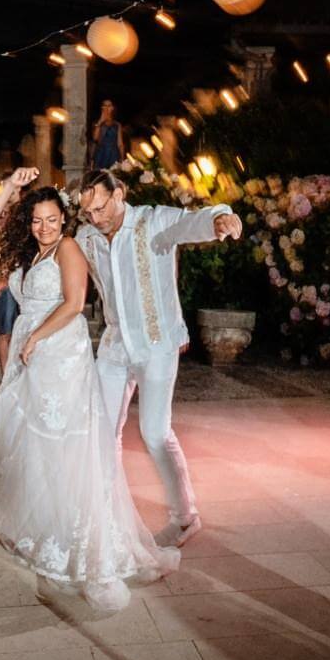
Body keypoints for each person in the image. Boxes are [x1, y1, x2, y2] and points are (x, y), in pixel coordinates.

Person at [0, 185, 179, 613]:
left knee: (61, 451)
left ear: (64, 219)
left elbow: (74, 304)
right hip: (30, 354)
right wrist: (10, 186)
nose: (44, 227)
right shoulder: (28, 252)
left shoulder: (68, 248)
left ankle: (73, 547)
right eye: (36, 220)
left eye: (51, 219)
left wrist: (35, 338)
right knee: (30, 447)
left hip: (59, 353)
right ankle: (43, 534)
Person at [76, 168, 243, 547]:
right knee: (102, 430)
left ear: (119, 194)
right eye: (88, 212)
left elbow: (192, 222)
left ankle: (185, 517)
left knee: (154, 432)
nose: (96, 218)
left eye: (101, 208)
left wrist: (220, 218)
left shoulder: (153, 221)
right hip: (115, 345)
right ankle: (107, 513)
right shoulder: (87, 237)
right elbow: (60, 265)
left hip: (156, 344)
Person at [0, 168, 35, 373]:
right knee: (5, 332)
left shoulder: (30, 215)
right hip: (5, 281)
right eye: (5, 187)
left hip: (30, 282)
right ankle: (6, 377)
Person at [90, 100, 126, 170]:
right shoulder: (96, 123)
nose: (107, 108)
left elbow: (120, 143)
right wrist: (100, 122)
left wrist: (122, 158)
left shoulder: (117, 124)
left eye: (109, 106)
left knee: (113, 173)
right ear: (102, 108)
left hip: (114, 154)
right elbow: (95, 138)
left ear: (112, 108)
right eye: (105, 105)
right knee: (100, 174)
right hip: (101, 153)